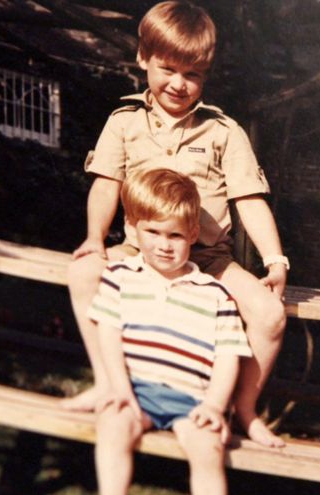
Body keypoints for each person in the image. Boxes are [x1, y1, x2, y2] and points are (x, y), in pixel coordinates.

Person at [63, 0, 288, 448]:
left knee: (270, 315)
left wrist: (275, 260)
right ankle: (110, 384)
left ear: (206, 74)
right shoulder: (125, 123)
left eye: (193, 74)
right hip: (141, 253)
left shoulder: (224, 131)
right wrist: (93, 239)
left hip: (208, 259)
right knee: (83, 272)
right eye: (168, 69)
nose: (179, 85)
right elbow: (106, 186)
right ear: (143, 58)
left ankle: (242, 410)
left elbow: (250, 199)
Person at [91, 168, 251, 495]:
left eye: (175, 235)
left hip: (192, 400)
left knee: (208, 450)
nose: (164, 245)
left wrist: (214, 406)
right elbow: (107, 334)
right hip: (137, 391)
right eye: (153, 232)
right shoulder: (120, 276)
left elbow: (227, 357)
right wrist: (120, 389)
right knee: (112, 428)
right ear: (133, 230)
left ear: (193, 235)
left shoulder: (215, 294)